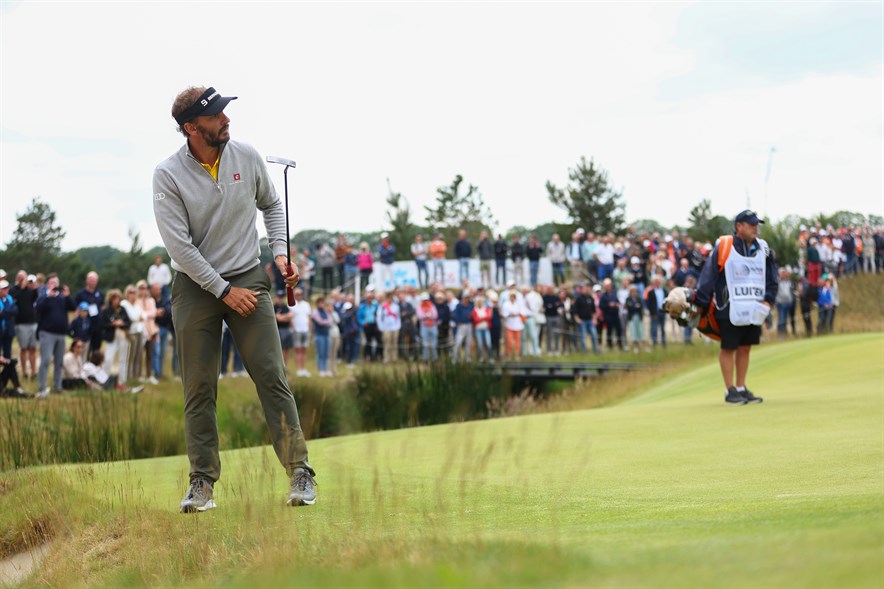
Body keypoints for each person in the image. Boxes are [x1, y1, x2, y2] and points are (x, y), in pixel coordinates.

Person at [153, 85, 315, 512]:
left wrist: (279, 253)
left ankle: (300, 471)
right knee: (199, 387)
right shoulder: (167, 175)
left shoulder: (247, 155)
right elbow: (179, 247)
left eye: (224, 112)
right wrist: (223, 291)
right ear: (191, 127)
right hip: (195, 285)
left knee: (271, 375)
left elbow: (272, 206)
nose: (226, 120)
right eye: (215, 116)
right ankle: (202, 482)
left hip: (247, 275)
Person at [695, 210, 778, 405]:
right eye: (751, 224)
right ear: (739, 226)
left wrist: (769, 299)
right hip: (728, 306)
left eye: (757, 224)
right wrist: (701, 302)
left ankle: (741, 387)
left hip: (754, 306)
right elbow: (708, 275)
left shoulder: (763, 248)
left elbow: (771, 276)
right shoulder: (725, 246)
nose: (755, 228)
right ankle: (729, 389)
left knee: (745, 347)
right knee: (728, 347)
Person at [35, 274, 75, 398]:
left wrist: (67, 296)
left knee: (59, 362)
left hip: (61, 334)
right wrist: (48, 296)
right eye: (52, 282)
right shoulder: (44, 297)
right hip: (47, 333)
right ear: (47, 284)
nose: (55, 285)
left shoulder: (62, 298)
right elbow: (38, 308)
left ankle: (58, 386)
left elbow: (73, 307)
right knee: (46, 360)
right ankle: (42, 386)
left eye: (56, 282)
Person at [99, 289, 131, 390]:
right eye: (114, 299)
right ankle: (104, 380)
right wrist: (112, 324)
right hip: (111, 337)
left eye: (118, 299)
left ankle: (121, 381)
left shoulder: (122, 310)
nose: (116, 301)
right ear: (111, 300)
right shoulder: (106, 311)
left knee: (123, 360)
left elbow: (128, 322)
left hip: (122, 337)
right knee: (108, 359)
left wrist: (122, 323)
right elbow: (102, 324)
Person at [10, 273, 39, 380]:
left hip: (33, 323)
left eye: (25, 278)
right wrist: (22, 288)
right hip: (21, 324)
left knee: (33, 348)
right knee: (24, 348)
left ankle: (33, 372)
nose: (25, 281)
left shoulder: (30, 290)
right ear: (18, 279)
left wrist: (34, 287)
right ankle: (24, 372)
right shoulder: (14, 290)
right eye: (22, 278)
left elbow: (35, 297)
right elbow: (16, 298)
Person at [74, 271, 105, 355]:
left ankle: (93, 363)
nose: (93, 282)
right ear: (87, 280)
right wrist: (76, 323)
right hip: (85, 325)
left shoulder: (99, 293)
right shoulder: (81, 294)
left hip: (97, 326)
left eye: (95, 280)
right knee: (84, 349)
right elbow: (76, 310)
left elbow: (102, 307)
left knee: (96, 350)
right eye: (91, 280)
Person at [290, 288, 312, 377]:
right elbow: (290, 318)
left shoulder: (306, 304)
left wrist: (309, 329)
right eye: (297, 294)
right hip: (297, 330)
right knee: (298, 350)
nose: (299, 295)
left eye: (300, 294)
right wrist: (294, 328)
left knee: (304, 350)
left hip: (305, 330)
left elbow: (309, 317)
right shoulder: (291, 305)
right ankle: (299, 369)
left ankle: (303, 369)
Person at [376, 291, 401, 364]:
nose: (389, 299)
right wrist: (381, 327)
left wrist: (398, 326)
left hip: (395, 327)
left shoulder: (396, 306)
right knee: (387, 344)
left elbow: (398, 317)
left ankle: (394, 358)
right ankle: (386, 358)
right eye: (388, 297)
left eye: (391, 297)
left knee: (394, 343)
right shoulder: (382, 307)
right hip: (386, 328)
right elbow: (379, 318)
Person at [312, 296, 333, 376]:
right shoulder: (315, 312)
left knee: (326, 353)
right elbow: (319, 322)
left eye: (323, 303)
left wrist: (325, 322)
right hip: (319, 335)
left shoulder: (325, 312)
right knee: (320, 353)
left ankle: (326, 369)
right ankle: (320, 369)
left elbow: (330, 322)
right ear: (317, 303)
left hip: (326, 334)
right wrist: (326, 322)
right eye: (320, 303)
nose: (322, 304)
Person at [416, 293, 439, 361]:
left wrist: (427, 316)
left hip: (433, 326)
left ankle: (435, 358)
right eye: (424, 300)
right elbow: (420, 316)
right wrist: (427, 316)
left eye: (426, 300)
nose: (425, 301)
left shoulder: (432, 305)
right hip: (424, 327)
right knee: (425, 343)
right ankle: (426, 358)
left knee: (434, 343)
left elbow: (435, 315)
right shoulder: (419, 306)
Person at [0, 279, 18, 359]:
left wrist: (3, 312)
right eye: (4, 288)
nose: (6, 290)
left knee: (7, 354)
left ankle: (7, 367)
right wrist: (9, 312)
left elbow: (15, 311)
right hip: (1, 329)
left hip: (8, 330)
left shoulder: (10, 299)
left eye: (7, 288)